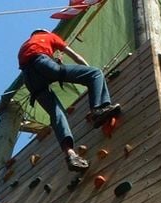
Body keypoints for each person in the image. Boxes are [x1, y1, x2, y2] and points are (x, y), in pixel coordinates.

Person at [18, 28, 121, 173]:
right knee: (95, 74)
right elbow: (75, 57)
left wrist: (53, 61)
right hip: (43, 63)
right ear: (45, 32)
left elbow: (34, 63)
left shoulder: (26, 45)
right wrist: (89, 70)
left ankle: (71, 155)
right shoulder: (50, 36)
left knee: (56, 114)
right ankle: (98, 109)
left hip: (29, 79)